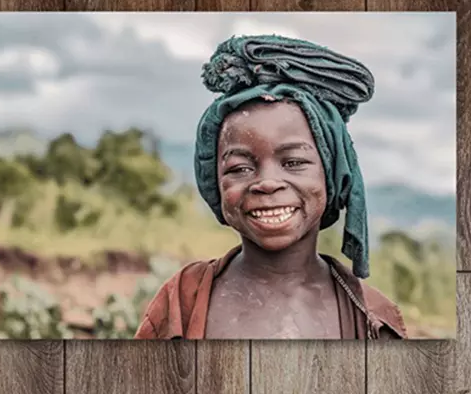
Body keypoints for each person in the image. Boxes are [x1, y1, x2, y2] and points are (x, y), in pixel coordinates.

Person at [134, 34, 407, 340]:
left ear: (331, 174)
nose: (266, 183)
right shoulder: (181, 303)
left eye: (293, 162)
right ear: (216, 183)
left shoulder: (372, 318)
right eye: (240, 168)